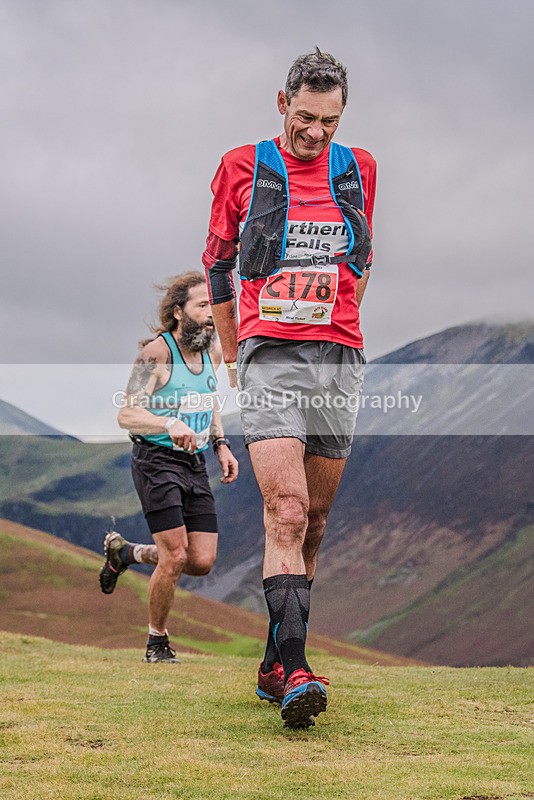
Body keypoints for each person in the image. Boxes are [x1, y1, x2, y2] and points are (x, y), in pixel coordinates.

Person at [202, 48, 376, 727]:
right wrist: (232, 351)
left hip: (339, 356)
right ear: (282, 104)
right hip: (268, 353)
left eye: (329, 121)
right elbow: (218, 265)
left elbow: (362, 256)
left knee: (318, 523)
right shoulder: (241, 165)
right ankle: (298, 671)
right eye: (305, 117)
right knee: (289, 511)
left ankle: (276, 659)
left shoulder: (358, 168)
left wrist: (341, 319)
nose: (316, 133)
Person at [99, 271, 238, 663]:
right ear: (179, 312)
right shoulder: (155, 355)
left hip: (193, 463)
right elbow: (126, 413)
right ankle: (156, 642)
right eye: (201, 305)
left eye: (213, 306)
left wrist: (221, 444)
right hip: (155, 460)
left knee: (200, 561)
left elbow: (209, 400)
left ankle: (126, 555)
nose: (211, 314)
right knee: (175, 556)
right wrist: (167, 423)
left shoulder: (211, 352)